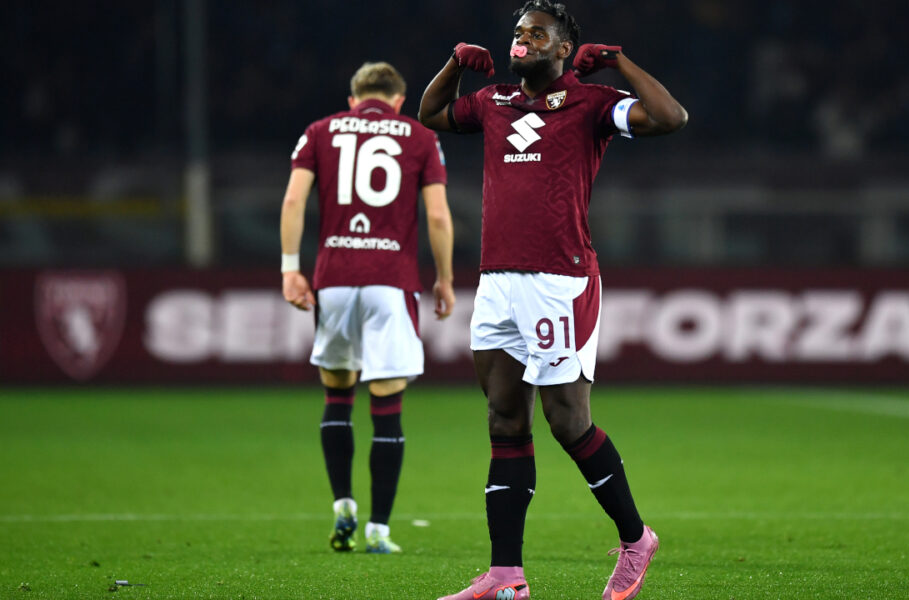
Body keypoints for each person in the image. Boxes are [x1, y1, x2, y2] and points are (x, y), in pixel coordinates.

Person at [418, 2, 687, 598]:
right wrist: (454, 64)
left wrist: (617, 63)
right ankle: (507, 577)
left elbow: (670, 116)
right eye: (518, 32)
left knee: (567, 421)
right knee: (503, 419)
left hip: (558, 282)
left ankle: (636, 537)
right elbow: (431, 113)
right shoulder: (494, 103)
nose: (523, 40)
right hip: (497, 282)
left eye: (538, 33)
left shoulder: (593, 103)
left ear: (565, 49)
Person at [280, 61, 455, 554]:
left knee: (337, 395)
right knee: (387, 404)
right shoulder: (419, 136)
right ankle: (379, 528)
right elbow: (438, 215)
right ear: (398, 101)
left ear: (354, 98)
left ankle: (342, 506)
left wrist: (290, 268)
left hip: (333, 280)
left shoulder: (320, 131)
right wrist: (443, 278)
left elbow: (294, 202)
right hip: (391, 282)